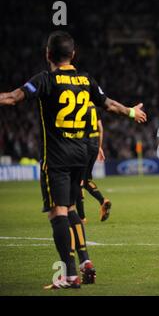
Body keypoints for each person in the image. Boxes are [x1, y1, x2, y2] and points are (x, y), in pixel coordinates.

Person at [0, 31, 147, 289]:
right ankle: (84, 262)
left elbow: (12, 98)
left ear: (48, 55)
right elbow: (108, 104)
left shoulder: (44, 80)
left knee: (57, 212)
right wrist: (132, 111)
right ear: (73, 55)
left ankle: (68, 275)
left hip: (57, 157)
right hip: (81, 155)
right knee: (70, 210)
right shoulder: (86, 79)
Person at [76, 102, 112, 223]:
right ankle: (103, 201)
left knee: (78, 182)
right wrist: (99, 147)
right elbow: (100, 128)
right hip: (94, 145)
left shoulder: (78, 105)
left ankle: (81, 218)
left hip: (83, 147)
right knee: (86, 180)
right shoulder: (93, 106)